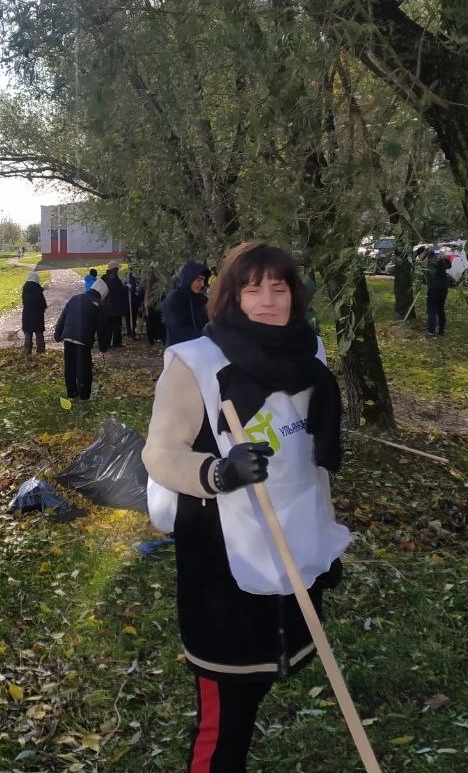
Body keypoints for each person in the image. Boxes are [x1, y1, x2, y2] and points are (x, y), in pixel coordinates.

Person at [142, 241, 351, 773]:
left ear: (294, 296)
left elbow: (310, 460)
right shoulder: (196, 363)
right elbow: (159, 455)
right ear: (229, 298)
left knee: (261, 679)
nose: (267, 301)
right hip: (221, 566)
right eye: (251, 289)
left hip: (291, 544)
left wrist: (323, 540)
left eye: (278, 288)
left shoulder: (309, 355)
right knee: (226, 716)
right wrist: (218, 472)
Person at [54, 278, 105, 400]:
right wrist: (103, 345)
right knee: (84, 367)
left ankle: (71, 393)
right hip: (83, 338)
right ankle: (84, 395)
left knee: (70, 366)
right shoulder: (98, 304)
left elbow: (63, 317)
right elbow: (102, 327)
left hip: (68, 336)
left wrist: (57, 334)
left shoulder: (75, 298)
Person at [162, 261, 210, 347]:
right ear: (189, 278)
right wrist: (204, 334)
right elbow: (175, 330)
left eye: (203, 280)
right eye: (198, 280)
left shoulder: (203, 300)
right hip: (179, 350)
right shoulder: (173, 299)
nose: (202, 284)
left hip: (201, 349)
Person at [419, 244, 450, 337]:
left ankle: (431, 330)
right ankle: (441, 330)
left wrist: (426, 250)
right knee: (440, 308)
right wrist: (444, 256)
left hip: (433, 287)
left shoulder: (430, 259)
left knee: (431, 309)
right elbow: (449, 266)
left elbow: (421, 261)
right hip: (443, 287)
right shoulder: (442, 258)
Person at [99, 261, 129, 352]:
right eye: (116, 268)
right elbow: (118, 291)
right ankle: (116, 343)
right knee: (116, 326)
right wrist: (126, 287)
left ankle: (108, 343)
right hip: (114, 306)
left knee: (109, 326)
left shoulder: (106, 278)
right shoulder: (114, 279)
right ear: (114, 269)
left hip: (108, 307)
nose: (117, 270)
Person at [21, 271, 47, 355]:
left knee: (28, 336)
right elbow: (43, 303)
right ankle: (41, 352)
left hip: (27, 317)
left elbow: (25, 302)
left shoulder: (25, 290)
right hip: (37, 317)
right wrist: (44, 308)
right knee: (39, 335)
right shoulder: (38, 290)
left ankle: (27, 352)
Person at [126, 268, 143, 339]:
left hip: (137, 300)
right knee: (129, 317)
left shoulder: (140, 277)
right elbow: (125, 285)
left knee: (134, 317)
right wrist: (127, 286)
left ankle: (133, 331)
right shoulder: (129, 277)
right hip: (130, 300)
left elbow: (140, 288)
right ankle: (130, 333)